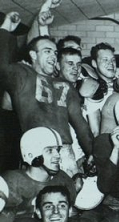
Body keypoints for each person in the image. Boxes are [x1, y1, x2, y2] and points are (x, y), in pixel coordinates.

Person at [0, 13, 94, 177]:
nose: (52, 56)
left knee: (68, 198)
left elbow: (81, 124)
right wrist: (6, 28)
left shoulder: (65, 85)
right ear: (33, 55)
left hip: (65, 153)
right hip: (37, 152)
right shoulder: (22, 76)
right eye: (47, 51)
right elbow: (3, 63)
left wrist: (92, 152)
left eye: (54, 52)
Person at [0, 127, 76, 222]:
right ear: (33, 154)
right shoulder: (11, 182)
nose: (57, 155)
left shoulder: (63, 180)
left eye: (57, 150)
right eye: (50, 150)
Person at [82, 42, 118, 137]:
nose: (110, 63)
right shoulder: (93, 89)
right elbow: (95, 132)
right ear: (94, 63)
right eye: (105, 60)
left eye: (113, 60)